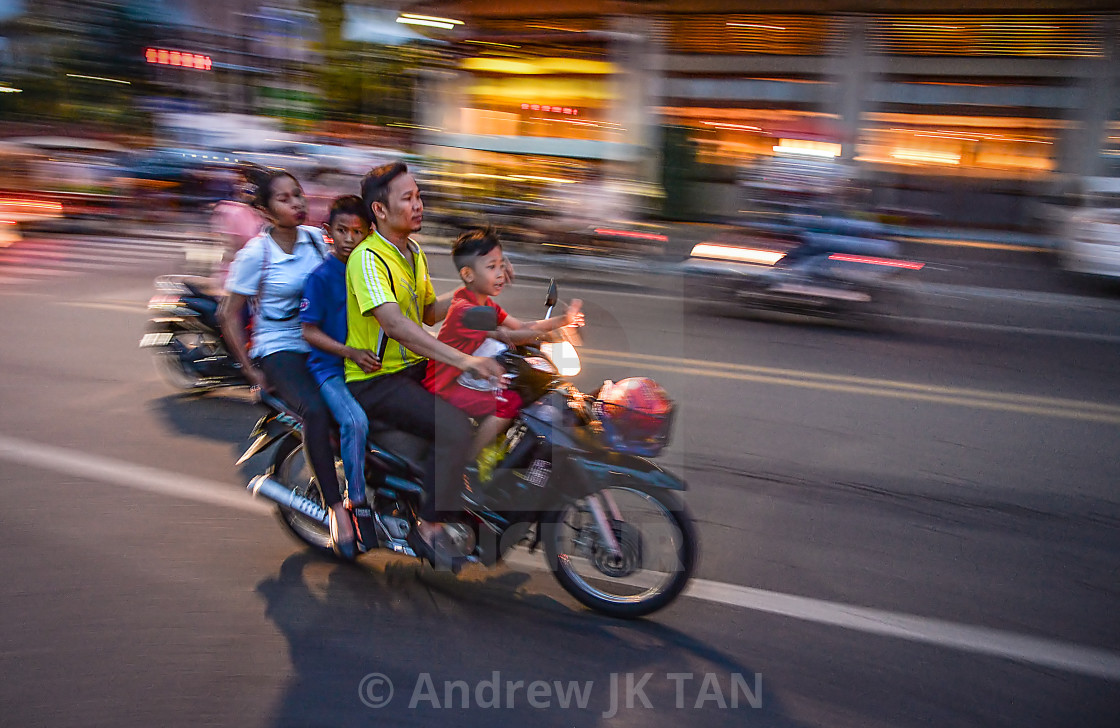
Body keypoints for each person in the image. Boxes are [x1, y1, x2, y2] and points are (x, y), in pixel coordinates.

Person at [345, 161, 505, 569]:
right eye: (408, 198)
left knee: (490, 399)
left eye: (419, 196)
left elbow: (429, 312)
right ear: (379, 211)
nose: (419, 205)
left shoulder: (412, 252)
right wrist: (463, 359)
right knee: (453, 426)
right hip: (376, 379)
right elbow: (396, 324)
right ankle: (429, 528)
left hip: (413, 368)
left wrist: (478, 285)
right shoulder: (368, 259)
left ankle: (451, 488)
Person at [217, 169, 359, 560]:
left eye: (298, 194)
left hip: (321, 343)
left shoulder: (317, 240)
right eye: (284, 198)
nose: (297, 203)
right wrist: (250, 369)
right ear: (264, 210)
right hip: (279, 350)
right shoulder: (255, 254)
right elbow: (228, 313)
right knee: (315, 410)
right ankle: (335, 509)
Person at [424, 226, 583, 461]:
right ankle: (468, 462)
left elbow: (520, 327)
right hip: (445, 385)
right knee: (507, 404)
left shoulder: (485, 304)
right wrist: (546, 334)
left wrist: (563, 320)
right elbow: (509, 335)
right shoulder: (464, 310)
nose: (500, 274)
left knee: (518, 388)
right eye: (491, 268)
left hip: (469, 376)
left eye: (501, 265)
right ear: (468, 275)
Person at [299, 195, 380, 550]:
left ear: (369, 233)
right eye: (342, 230)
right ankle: (354, 500)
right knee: (356, 422)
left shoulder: (371, 271)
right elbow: (309, 330)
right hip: (331, 368)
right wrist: (349, 352)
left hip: (367, 367)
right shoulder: (320, 277)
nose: (349, 238)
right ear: (328, 232)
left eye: (357, 232)